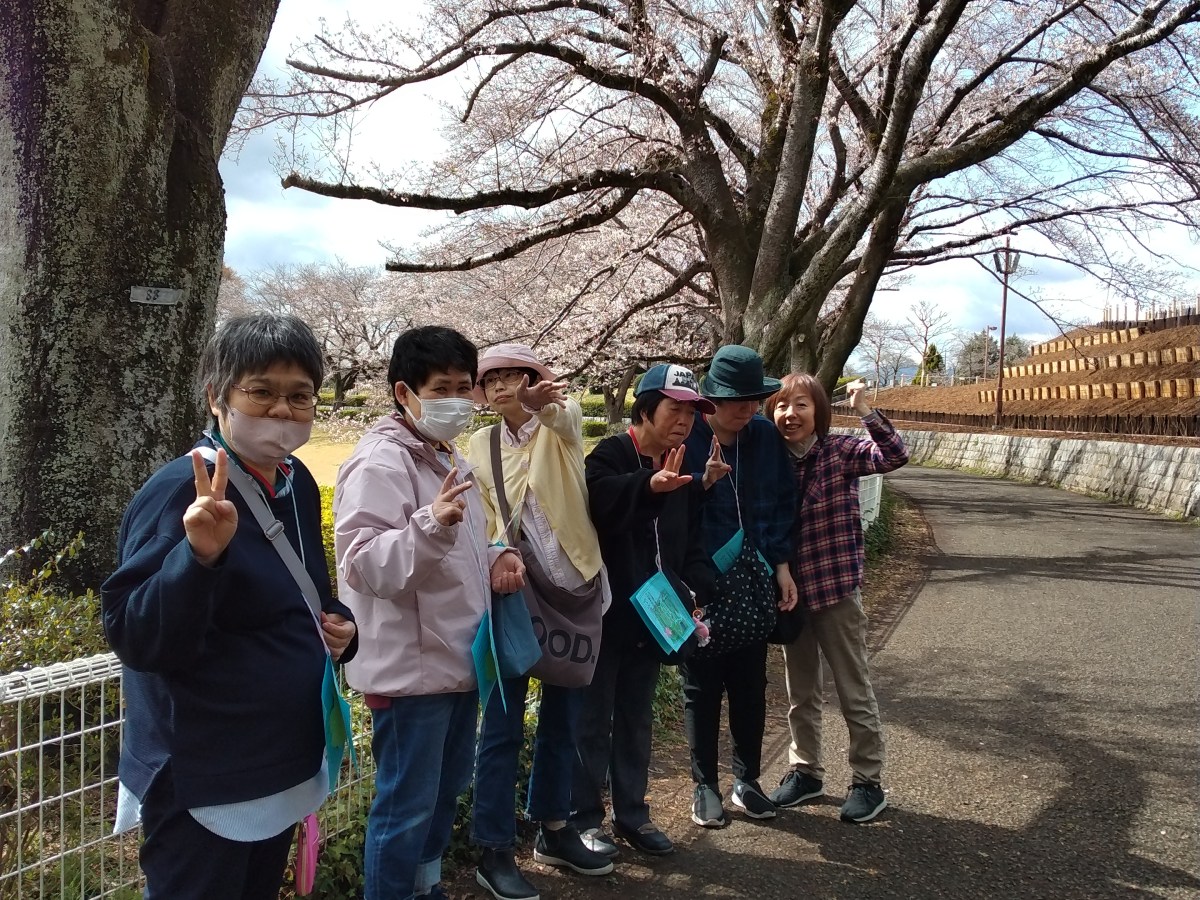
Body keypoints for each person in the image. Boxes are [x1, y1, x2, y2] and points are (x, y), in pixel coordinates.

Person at [102, 314, 358, 900]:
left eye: (300, 396)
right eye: (261, 391)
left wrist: (344, 628)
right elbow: (136, 634)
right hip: (208, 777)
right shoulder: (182, 490)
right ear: (217, 396)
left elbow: (303, 596)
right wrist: (196, 556)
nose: (282, 412)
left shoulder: (292, 483)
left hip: (277, 763)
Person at [334, 326, 525, 900]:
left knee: (441, 796)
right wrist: (432, 524)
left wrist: (495, 553)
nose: (459, 401)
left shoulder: (442, 453)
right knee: (406, 806)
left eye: (467, 388)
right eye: (443, 387)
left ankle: (425, 887)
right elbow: (363, 566)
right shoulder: (379, 463)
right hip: (410, 672)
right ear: (404, 392)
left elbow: (459, 546)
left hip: (455, 660)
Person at [466, 344, 614, 900]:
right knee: (501, 726)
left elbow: (566, 415)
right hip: (517, 594)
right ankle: (493, 848)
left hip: (576, 589)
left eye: (516, 377)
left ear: (536, 379)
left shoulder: (562, 427)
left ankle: (554, 828)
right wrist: (499, 550)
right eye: (493, 380)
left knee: (564, 719)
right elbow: (481, 513)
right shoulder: (479, 444)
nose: (505, 387)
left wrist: (541, 401)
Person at [571, 364, 718, 858]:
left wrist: (695, 586)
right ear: (643, 408)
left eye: (692, 412)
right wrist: (648, 486)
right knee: (592, 720)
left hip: (655, 617)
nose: (685, 420)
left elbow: (689, 539)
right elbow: (598, 502)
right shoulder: (612, 454)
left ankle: (633, 814)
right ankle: (585, 820)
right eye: (675, 408)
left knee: (635, 717)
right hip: (607, 615)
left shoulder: (684, 460)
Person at [766, 374, 909, 823]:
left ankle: (867, 781)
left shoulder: (841, 451)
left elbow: (894, 455)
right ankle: (805, 771)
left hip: (836, 590)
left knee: (853, 689)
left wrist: (865, 409)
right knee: (800, 692)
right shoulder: (770, 461)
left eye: (802, 405)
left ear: (819, 411)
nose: (791, 415)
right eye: (782, 406)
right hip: (791, 595)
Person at [680, 345, 798, 828]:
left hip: (754, 580)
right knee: (701, 687)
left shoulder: (765, 438)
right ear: (709, 402)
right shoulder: (685, 438)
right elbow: (669, 516)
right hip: (699, 581)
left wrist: (782, 565)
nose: (747, 409)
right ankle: (704, 784)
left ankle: (747, 780)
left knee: (751, 685)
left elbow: (781, 502)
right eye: (736, 400)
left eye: (754, 399)